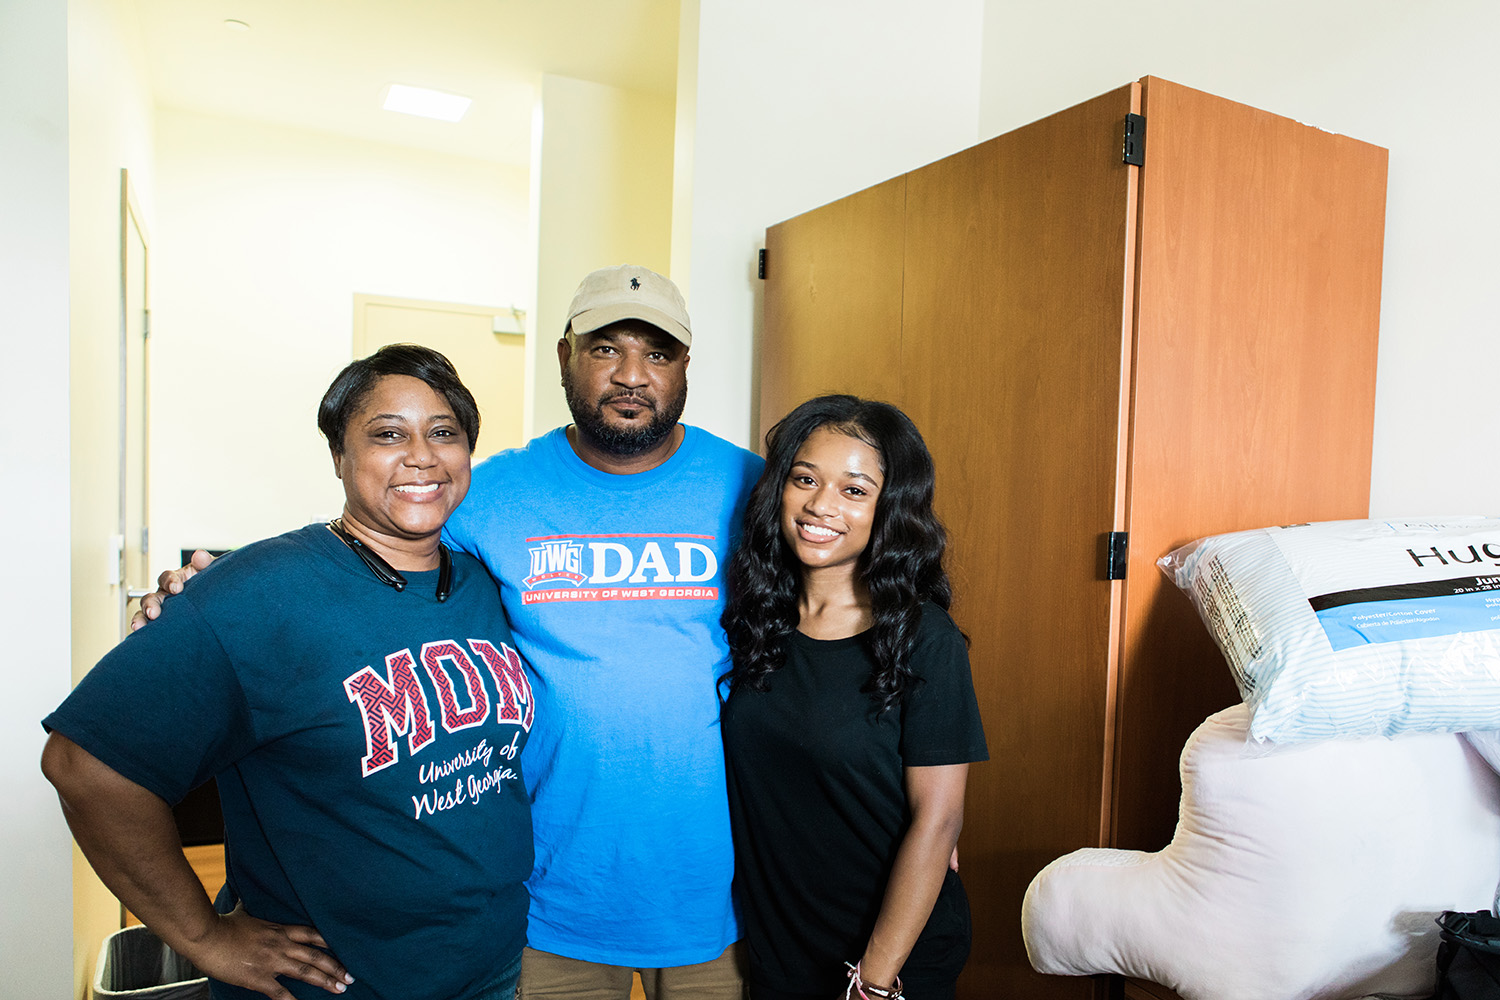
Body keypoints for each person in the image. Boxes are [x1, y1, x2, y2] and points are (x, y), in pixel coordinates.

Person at [135, 266, 765, 999]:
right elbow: (375, 549)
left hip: (711, 890)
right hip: (545, 893)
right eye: (605, 349)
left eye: (657, 353)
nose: (631, 374)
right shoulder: (487, 491)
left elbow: (832, 627)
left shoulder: (751, 487)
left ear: (685, 364)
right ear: (565, 355)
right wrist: (217, 584)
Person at [45, 345, 536, 1000]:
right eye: (388, 433)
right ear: (339, 455)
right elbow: (85, 766)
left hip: (492, 969)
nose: (421, 454)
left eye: (443, 432)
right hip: (338, 985)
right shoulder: (257, 594)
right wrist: (204, 937)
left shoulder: (486, 583)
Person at [719, 395, 989, 1000]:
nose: (820, 506)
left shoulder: (924, 638)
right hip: (779, 947)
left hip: (885, 960)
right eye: (805, 479)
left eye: (854, 490)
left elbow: (939, 819)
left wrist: (873, 979)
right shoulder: (753, 622)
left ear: (889, 510)